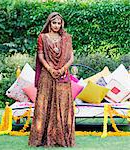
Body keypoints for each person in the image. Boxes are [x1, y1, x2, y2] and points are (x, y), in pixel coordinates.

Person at [28, 12, 75, 147]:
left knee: (62, 104)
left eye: (59, 23)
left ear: (62, 24)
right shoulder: (42, 37)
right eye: (54, 22)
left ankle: (61, 138)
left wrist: (62, 69)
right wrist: (50, 69)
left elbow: (71, 57)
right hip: (47, 75)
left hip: (62, 75)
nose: (56, 25)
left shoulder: (66, 38)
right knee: (44, 104)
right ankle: (42, 138)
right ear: (49, 23)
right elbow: (41, 56)